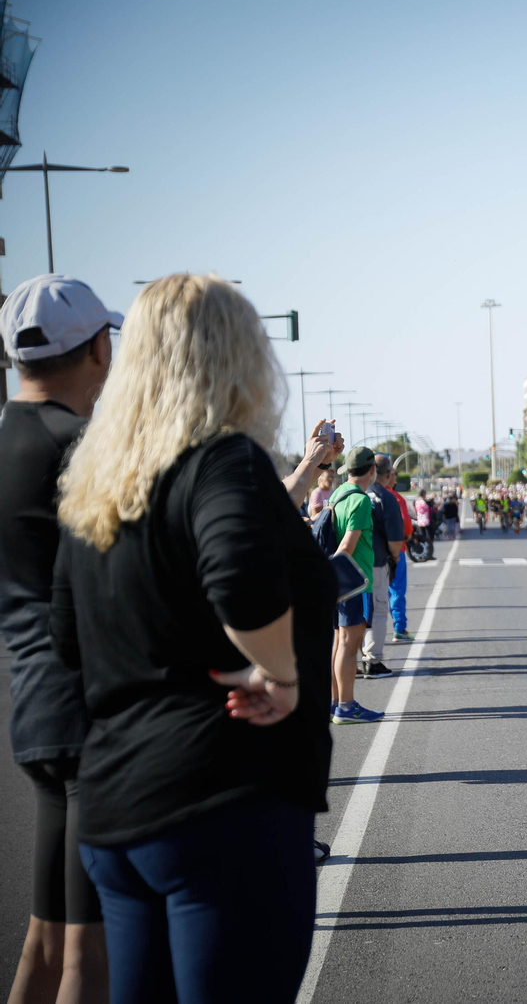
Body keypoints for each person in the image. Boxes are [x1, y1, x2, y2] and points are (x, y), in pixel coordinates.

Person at [50, 273, 334, 1003]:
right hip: (223, 800)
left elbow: (66, 634)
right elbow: (238, 574)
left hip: (117, 810)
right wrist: (284, 675)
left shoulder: (100, 477)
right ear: (238, 359)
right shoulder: (221, 460)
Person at [1, 274, 114, 1004]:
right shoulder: (82, 450)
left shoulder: (7, 440)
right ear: (99, 348)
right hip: (88, 715)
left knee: (41, 948)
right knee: (87, 958)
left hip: (34, 707)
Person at [328, 448, 387, 719]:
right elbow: (347, 546)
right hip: (355, 582)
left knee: (339, 643)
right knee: (350, 647)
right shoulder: (361, 501)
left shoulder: (337, 494)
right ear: (372, 471)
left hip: (338, 584)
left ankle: (335, 702)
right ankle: (347, 706)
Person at [360, 453, 405, 674]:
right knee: (378, 610)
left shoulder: (357, 493)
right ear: (387, 474)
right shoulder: (386, 498)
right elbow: (396, 540)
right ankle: (373, 660)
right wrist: (395, 557)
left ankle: (354, 658)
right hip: (377, 562)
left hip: (352, 563)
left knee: (356, 612)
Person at [379, 459, 414, 642]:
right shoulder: (395, 497)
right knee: (397, 589)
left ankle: (374, 633)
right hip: (395, 549)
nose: (394, 478)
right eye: (393, 474)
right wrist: (406, 536)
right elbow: (405, 525)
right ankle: (399, 628)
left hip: (375, 551)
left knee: (378, 592)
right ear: (387, 476)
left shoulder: (367, 494)